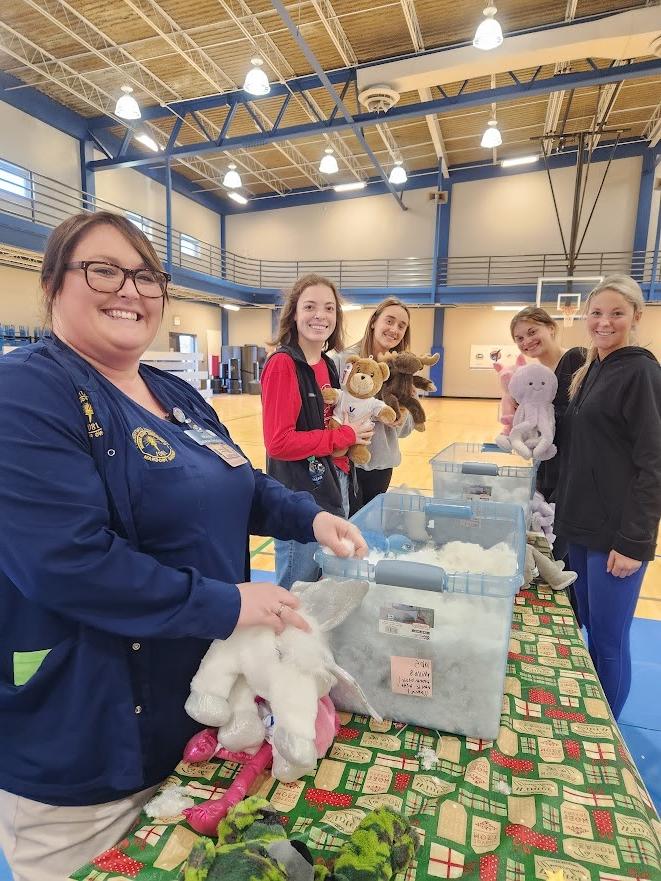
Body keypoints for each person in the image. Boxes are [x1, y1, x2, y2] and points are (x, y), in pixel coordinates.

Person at [0, 214, 366, 881]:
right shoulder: (27, 391)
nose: (130, 291)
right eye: (102, 270)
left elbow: (239, 482)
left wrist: (309, 519)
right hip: (90, 745)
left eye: (146, 275)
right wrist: (225, 603)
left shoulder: (172, 392)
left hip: (192, 724)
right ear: (53, 283)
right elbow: (67, 562)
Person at [554, 276, 661, 719]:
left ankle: (607, 736)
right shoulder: (592, 367)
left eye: (616, 313)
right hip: (578, 526)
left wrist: (634, 541)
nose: (604, 322)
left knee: (609, 640)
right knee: (584, 630)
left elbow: (653, 463)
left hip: (614, 536)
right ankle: (587, 716)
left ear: (636, 317)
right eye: (596, 313)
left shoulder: (641, 371)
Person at [260, 274, 374, 588]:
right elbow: (279, 442)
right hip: (300, 495)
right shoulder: (282, 364)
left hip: (334, 483)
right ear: (293, 314)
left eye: (328, 308)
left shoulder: (328, 364)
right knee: (298, 586)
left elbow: (330, 420)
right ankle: (283, 638)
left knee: (324, 579)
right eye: (309, 306)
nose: (319, 315)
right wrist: (345, 437)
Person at [334, 298, 415, 506]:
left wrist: (400, 417)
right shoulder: (345, 360)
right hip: (346, 461)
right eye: (389, 321)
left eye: (401, 326)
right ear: (373, 322)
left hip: (381, 465)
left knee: (370, 526)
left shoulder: (403, 370)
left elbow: (405, 429)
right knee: (349, 526)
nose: (394, 329)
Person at [509, 305, 585, 505]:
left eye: (532, 332)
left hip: (574, 460)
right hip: (546, 459)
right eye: (519, 338)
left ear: (551, 328)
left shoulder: (575, 359)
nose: (527, 341)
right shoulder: (532, 377)